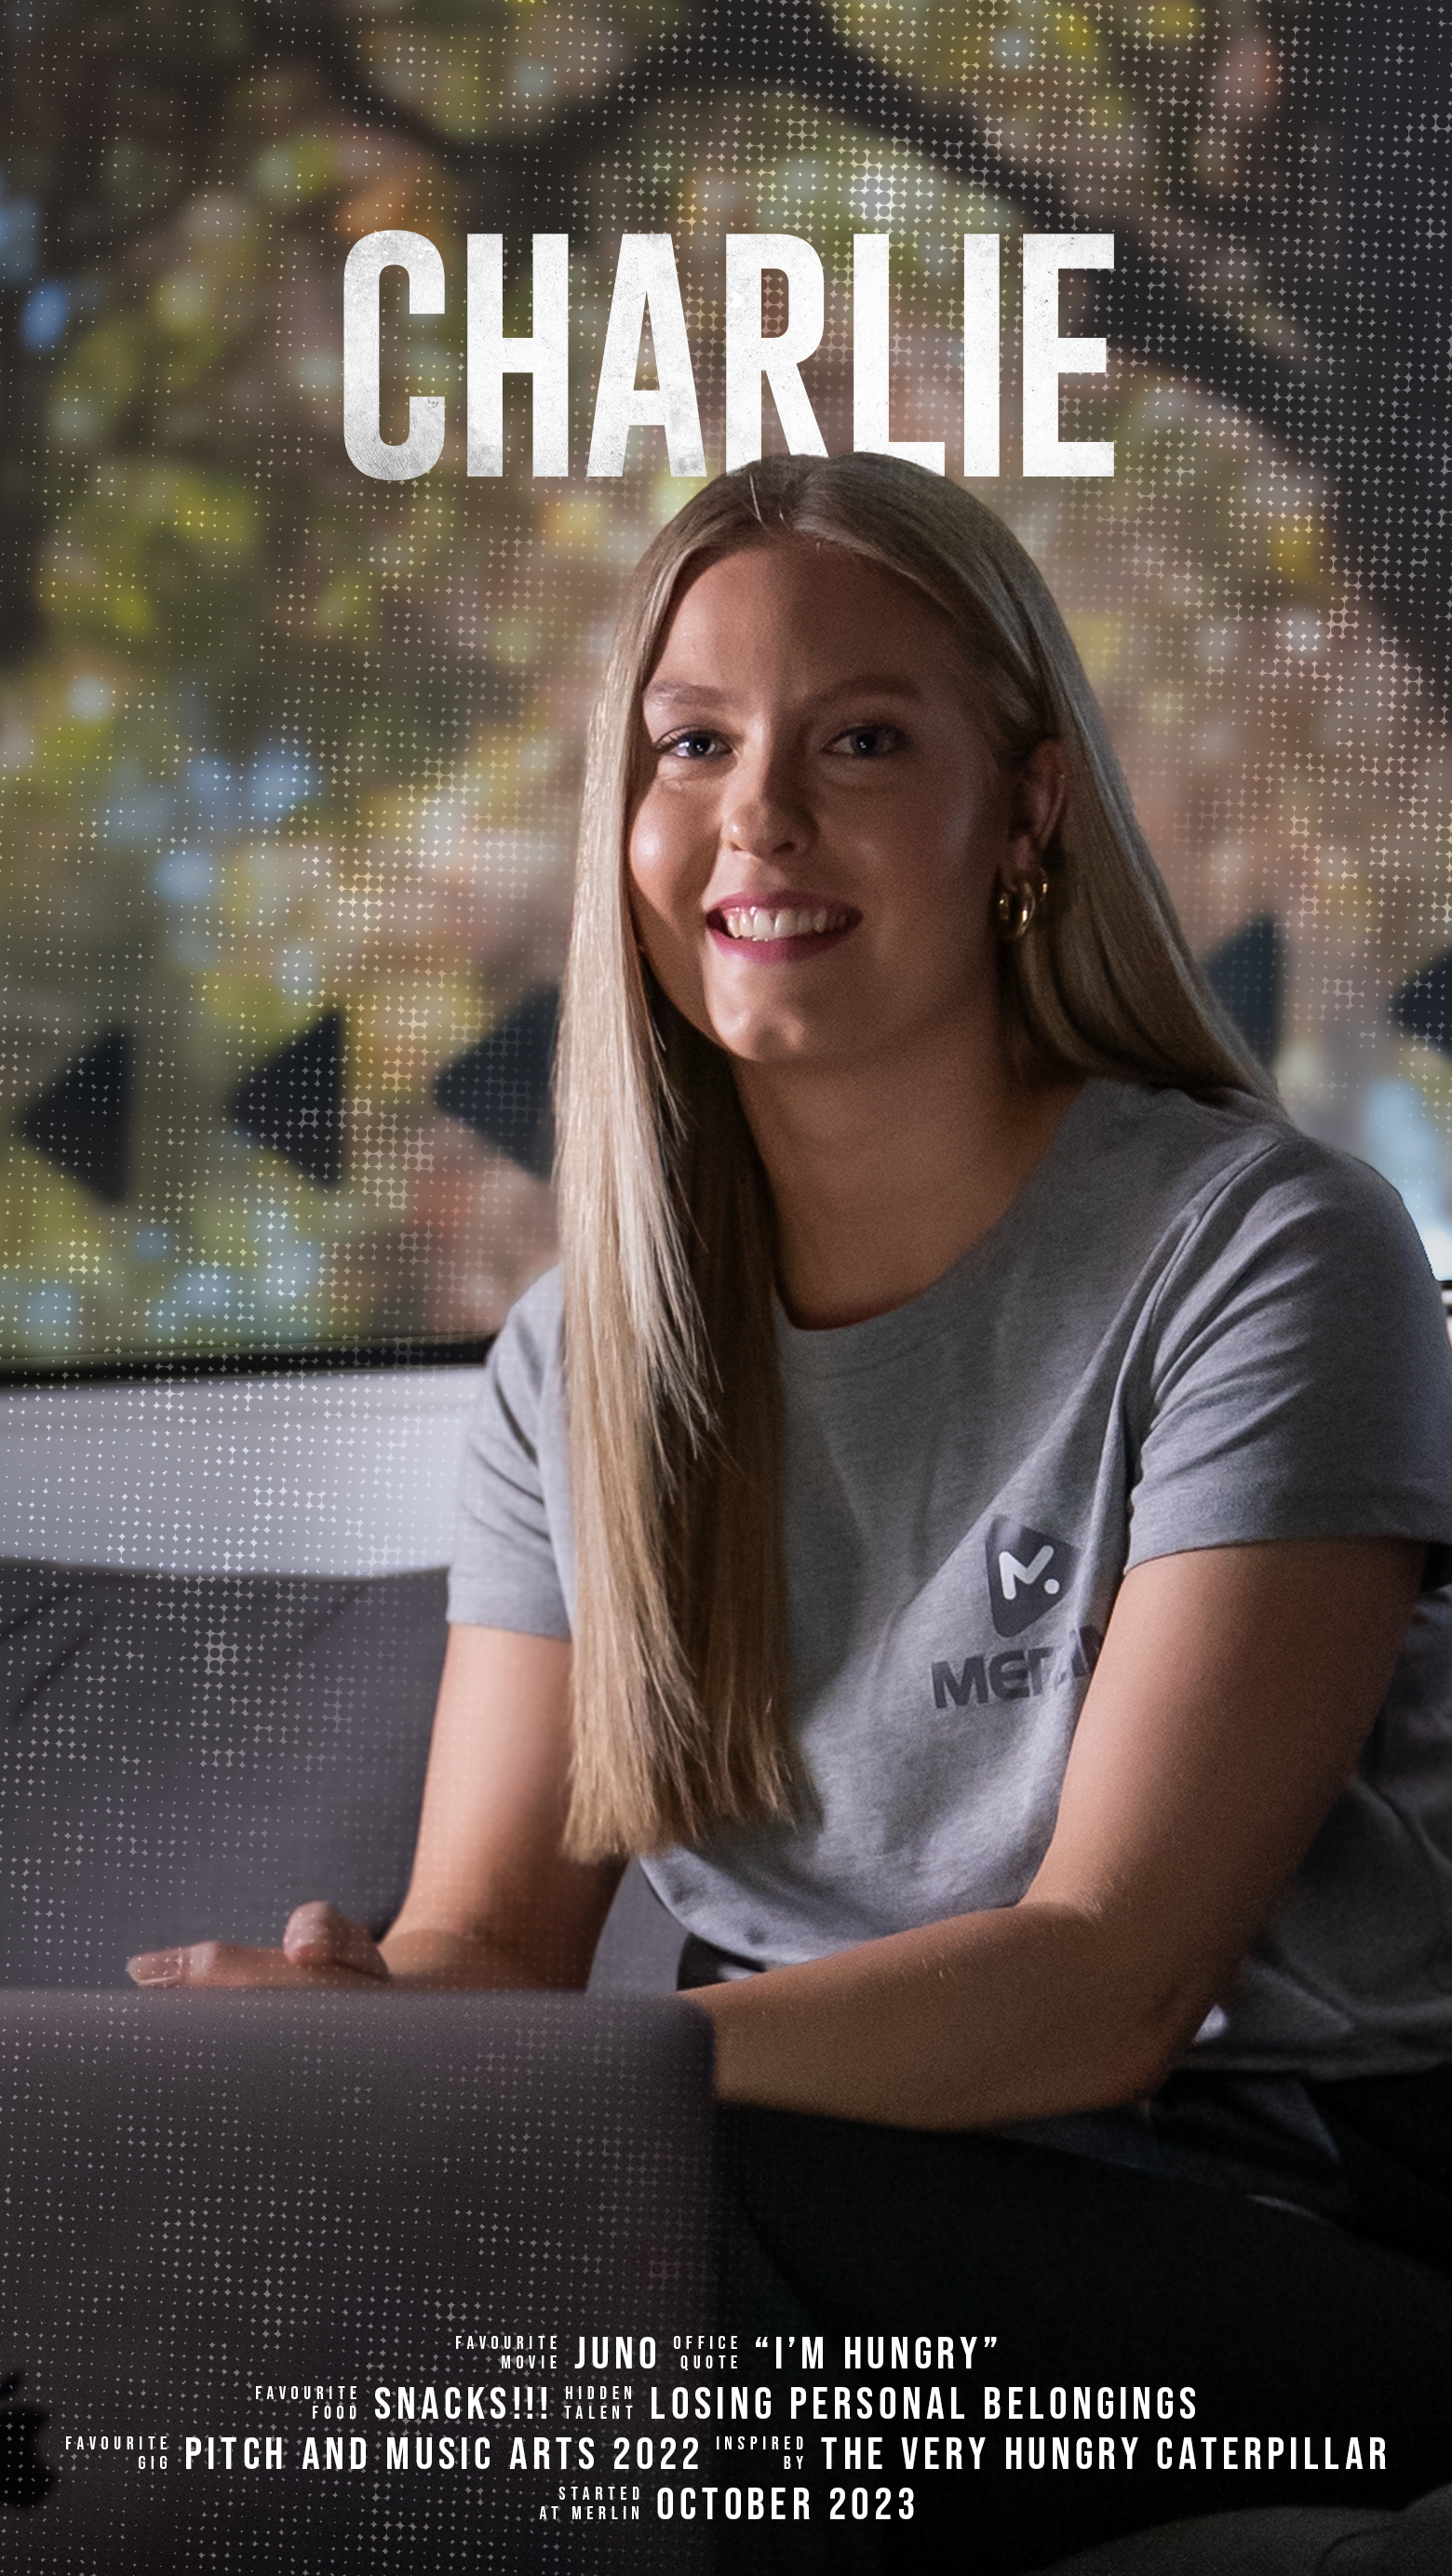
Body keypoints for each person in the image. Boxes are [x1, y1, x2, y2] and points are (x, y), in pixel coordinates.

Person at [130, 455, 1452, 2570]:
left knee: (615, 2228)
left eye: (859, 739)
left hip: (1287, 2191)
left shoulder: (1270, 1249)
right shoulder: (576, 1364)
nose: (758, 815)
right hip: (798, 2162)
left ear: (1025, 809)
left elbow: (1107, 1983)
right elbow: (490, 1941)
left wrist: (534, 2108)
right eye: (694, 744)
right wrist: (356, 2049)